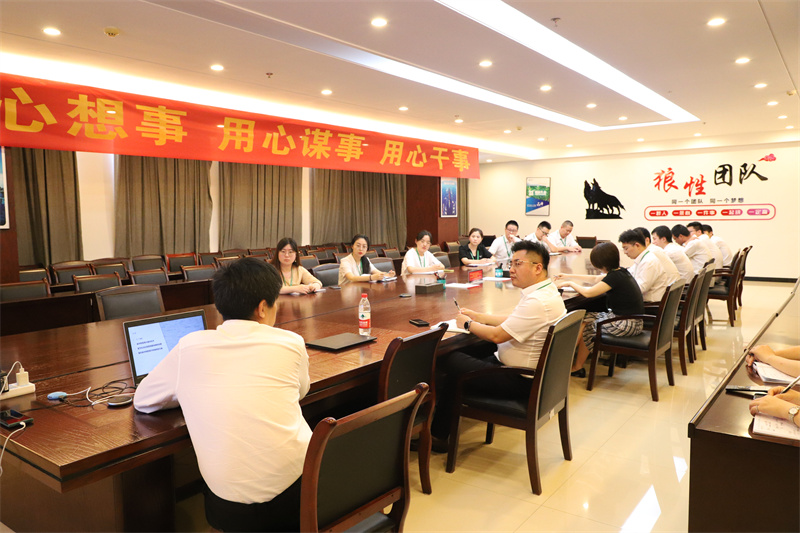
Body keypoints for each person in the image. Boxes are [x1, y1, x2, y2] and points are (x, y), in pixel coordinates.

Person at [133, 258, 310, 532]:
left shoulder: (188, 346)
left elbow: (143, 400)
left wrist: (191, 391)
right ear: (263, 308)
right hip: (298, 497)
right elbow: (301, 391)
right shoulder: (290, 342)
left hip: (228, 511)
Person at [431, 241, 566, 445]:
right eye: (511, 263)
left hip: (519, 378)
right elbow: (514, 320)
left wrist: (467, 324)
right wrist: (480, 317)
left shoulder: (537, 301)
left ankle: (435, 432)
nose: (511, 269)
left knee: (447, 358)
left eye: (518, 264)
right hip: (530, 374)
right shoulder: (547, 291)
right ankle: (440, 434)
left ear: (538, 268)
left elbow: (497, 336)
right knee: (465, 360)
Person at [555, 242, 644, 377]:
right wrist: (568, 276)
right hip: (631, 321)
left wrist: (570, 283)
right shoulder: (620, 272)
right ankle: (569, 362)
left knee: (587, 326)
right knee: (586, 318)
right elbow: (595, 279)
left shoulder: (614, 277)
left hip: (626, 324)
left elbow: (589, 293)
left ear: (601, 263)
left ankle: (574, 366)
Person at [621, 229, 679, 303]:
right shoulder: (643, 258)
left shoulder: (648, 261)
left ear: (637, 245)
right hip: (649, 302)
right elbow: (629, 272)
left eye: (626, 248)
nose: (625, 252)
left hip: (651, 305)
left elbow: (640, 289)